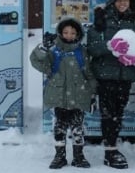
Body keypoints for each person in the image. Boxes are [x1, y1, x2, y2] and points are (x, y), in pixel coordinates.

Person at [87, 0, 135, 169]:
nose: (123, 3)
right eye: (119, 0)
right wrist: (111, 47)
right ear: (112, 2)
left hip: (125, 76)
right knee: (108, 114)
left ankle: (112, 148)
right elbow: (92, 46)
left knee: (118, 113)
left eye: (126, 0)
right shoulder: (101, 21)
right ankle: (110, 150)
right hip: (106, 75)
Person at [30, 18, 97, 169]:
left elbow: (89, 74)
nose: (69, 35)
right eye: (66, 32)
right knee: (59, 127)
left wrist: (93, 95)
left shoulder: (82, 52)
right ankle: (59, 156)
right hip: (58, 96)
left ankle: (79, 156)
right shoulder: (53, 51)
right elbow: (36, 61)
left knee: (78, 128)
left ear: (78, 34)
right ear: (60, 33)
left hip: (79, 96)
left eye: (73, 33)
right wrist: (43, 48)